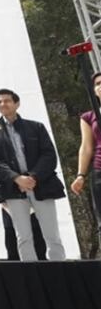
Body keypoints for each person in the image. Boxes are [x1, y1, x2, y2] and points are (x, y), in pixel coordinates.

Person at [0, 88, 67, 261]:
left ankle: (59, 273)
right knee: (23, 237)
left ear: (17, 103)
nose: (2, 104)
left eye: (6, 101)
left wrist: (33, 177)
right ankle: (30, 278)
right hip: (13, 189)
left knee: (52, 235)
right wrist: (17, 178)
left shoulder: (35, 127)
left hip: (40, 185)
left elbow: (49, 155)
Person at [70, 71, 101, 245]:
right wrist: (81, 175)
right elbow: (86, 147)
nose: (100, 86)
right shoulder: (88, 116)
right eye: (97, 84)